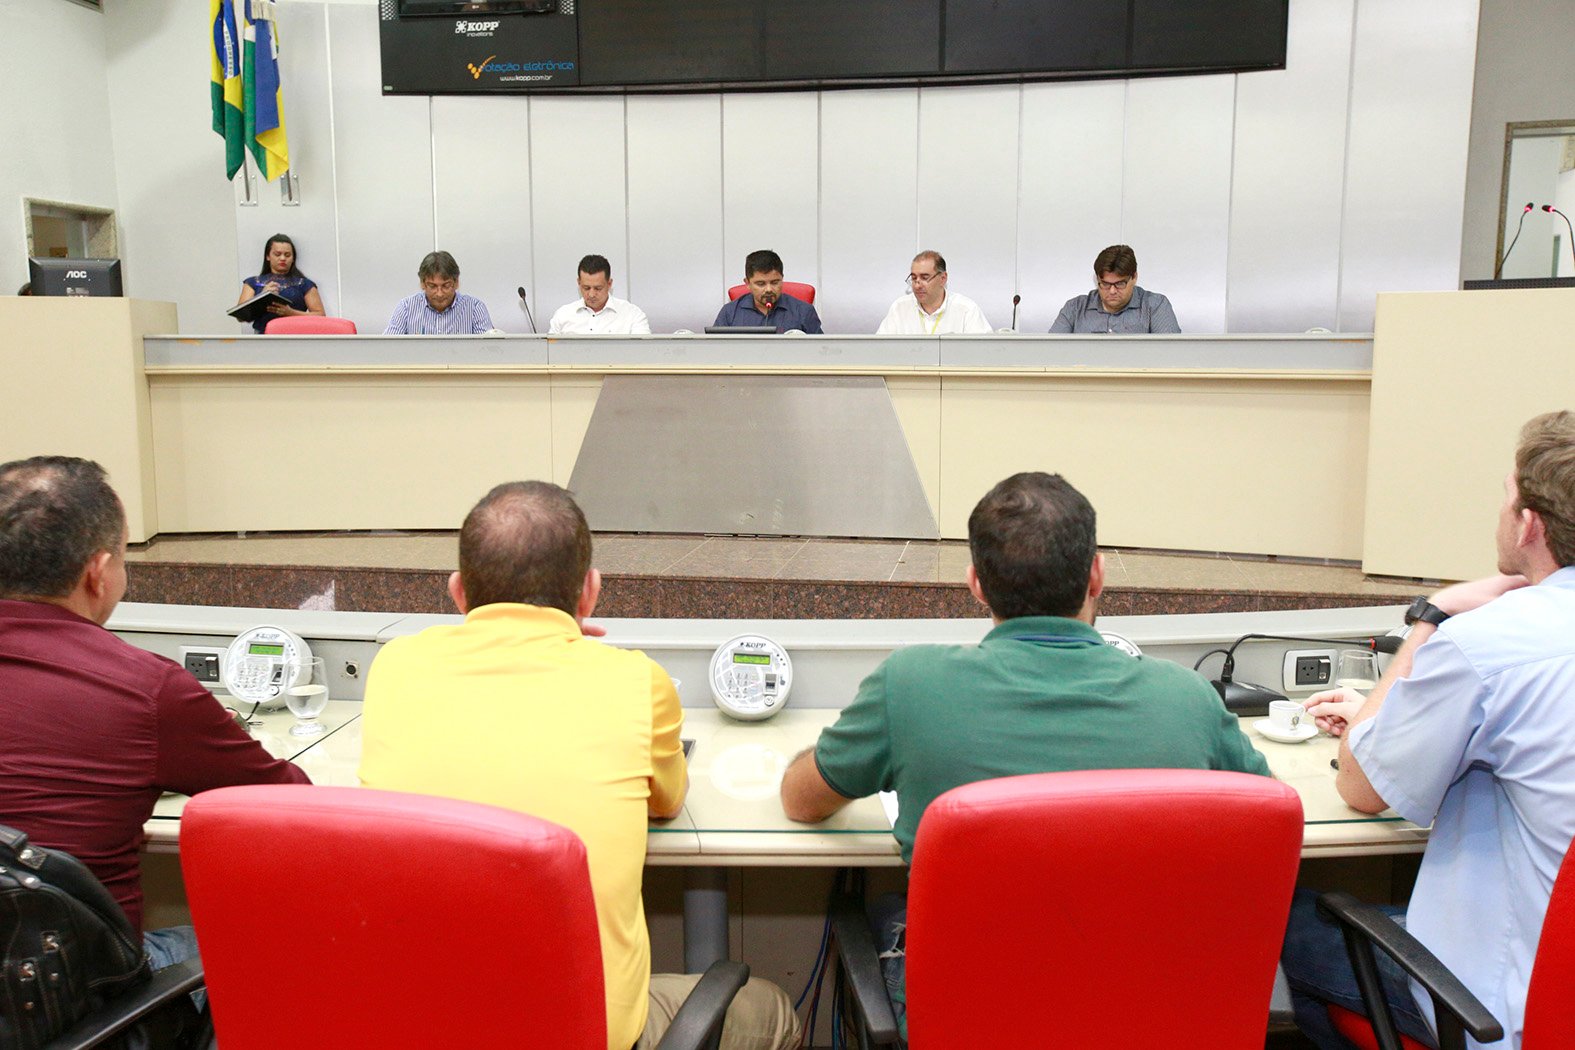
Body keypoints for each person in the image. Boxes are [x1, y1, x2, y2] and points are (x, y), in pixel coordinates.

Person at [779, 470, 1269, 1040]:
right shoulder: (1187, 698)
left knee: (887, 911)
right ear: (1096, 575)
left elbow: (801, 801)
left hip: (974, 1025)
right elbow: (1273, 814)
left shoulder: (909, 684)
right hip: (1148, 1020)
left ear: (976, 584)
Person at [358, 481, 799, 1050]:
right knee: (770, 1008)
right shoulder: (635, 681)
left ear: (457, 592)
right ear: (589, 593)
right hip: (584, 1034)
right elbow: (666, 803)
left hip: (423, 1027)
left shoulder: (394, 667)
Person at [1283, 411, 1575, 1050]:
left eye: (1505, 498)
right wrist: (1381, 706)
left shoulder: (1489, 643)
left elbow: (1363, 787)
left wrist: (1432, 617)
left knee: (1298, 924)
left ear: (1528, 523)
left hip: (1505, 1011)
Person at [0, 456, 310, 969]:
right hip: (84, 1003)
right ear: (98, 574)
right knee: (271, 942)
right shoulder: (144, 689)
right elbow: (292, 805)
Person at [1049, 244, 1180, 334]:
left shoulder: (1155, 306)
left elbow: (1171, 355)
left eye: (1120, 284)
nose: (1112, 291)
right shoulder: (1075, 308)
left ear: (1134, 277)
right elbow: (1050, 352)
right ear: (1097, 279)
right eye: (1105, 284)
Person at [875, 250, 991, 335]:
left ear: (943, 278)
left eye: (925, 278)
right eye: (914, 278)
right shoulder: (900, 308)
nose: (917, 285)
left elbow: (985, 353)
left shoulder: (966, 310)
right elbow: (880, 350)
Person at [711, 249, 823, 334]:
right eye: (761, 284)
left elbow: (821, 352)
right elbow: (715, 351)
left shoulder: (803, 311)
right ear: (747, 283)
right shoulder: (730, 313)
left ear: (782, 279)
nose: (769, 289)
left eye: (775, 282)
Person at [234, 233, 326, 334]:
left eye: (287, 255)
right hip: (263, 338)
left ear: (293, 258)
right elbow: (240, 317)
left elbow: (320, 316)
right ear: (268, 256)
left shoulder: (304, 284)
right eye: (277, 254)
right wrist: (261, 297)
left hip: (296, 336)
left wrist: (291, 313)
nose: (282, 258)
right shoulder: (253, 283)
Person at [384, 250, 493, 335]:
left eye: (446, 286)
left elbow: (488, 351)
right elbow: (388, 348)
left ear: (456, 283)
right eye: (432, 286)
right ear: (422, 283)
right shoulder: (406, 307)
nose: (439, 293)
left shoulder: (475, 308)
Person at [549, 254, 652, 335]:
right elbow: (549, 355)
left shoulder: (633, 315)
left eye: (598, 288)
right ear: (578, 283)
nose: (592, 294)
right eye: (586, 288)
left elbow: (642, 354)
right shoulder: (563, 315)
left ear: (609, 284)